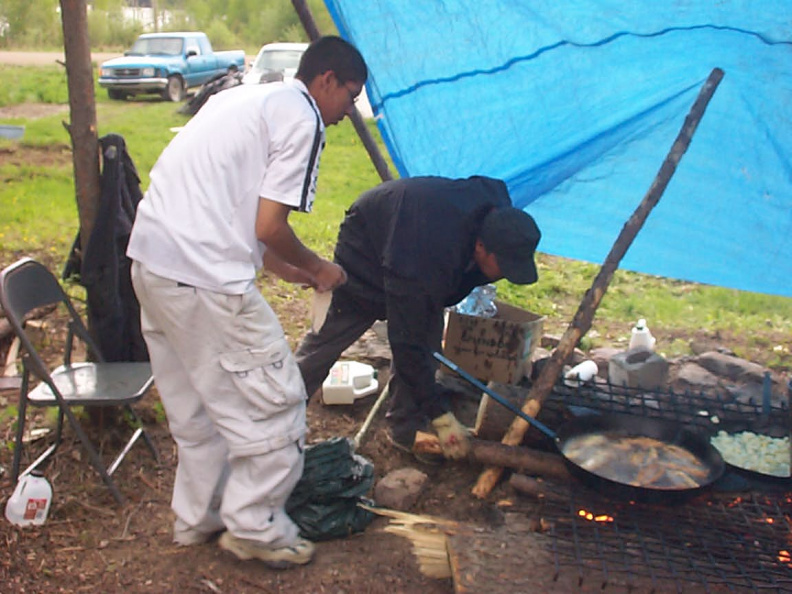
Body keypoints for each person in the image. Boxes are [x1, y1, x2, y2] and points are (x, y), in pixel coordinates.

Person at [126, 36, 367, 568]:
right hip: (205, 280)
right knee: (276, 403)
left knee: (198, 409)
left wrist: (294, 271)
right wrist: (320, 266)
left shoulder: (243, 98)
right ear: (325, 80)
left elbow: (242, 222)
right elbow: (269, 225)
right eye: (350, 98)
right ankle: (256, 529)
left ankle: (199, 520)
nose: (348, 114)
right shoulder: (303, 117)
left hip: (153, 262)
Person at [296, 175, 541, 462]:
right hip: (369, 237)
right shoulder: (425, 255)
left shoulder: (499, 219)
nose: (505, 274)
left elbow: (433, 303)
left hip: (417, 237)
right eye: (504, 266)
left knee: (429, 338)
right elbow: (405, 338)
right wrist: (439, 413)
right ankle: (279, 408)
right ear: (480, 248)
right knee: (342, 324)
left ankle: (405, 427)